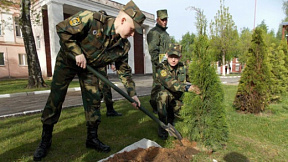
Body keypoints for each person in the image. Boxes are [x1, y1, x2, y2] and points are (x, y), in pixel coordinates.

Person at [33, 1, 145, 161]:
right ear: (122, 21)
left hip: (92, 68)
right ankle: (45, 140)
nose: (133, 34)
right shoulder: (91, 19)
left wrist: (132, 94)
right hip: (68, 61)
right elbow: (62, 29)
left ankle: (92, 139)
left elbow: (124, 70)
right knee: (56, 98)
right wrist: (77, 52)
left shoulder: (123, 46)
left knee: (94, 101)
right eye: (133, 29)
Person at [155, 44, 200, 140]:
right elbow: (170, 83)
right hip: (164, 97)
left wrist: (199, 85)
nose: (173, 60)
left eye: (176, 57)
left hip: (177, 97)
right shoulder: (161, 67)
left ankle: (171, 119)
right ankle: (162, 125)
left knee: (185, 112)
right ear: (167, 55)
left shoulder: (183, 67)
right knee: (163, 96)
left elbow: (192, 78)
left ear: (180, 57)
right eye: (171, 57)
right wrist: (188, 88)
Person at [147, 9, 171, 114]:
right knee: (157, 86)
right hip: (159, 64)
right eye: (162, 19)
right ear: (157, 19)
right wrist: (160, 63)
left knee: (164, 86)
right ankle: (154, 104)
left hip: (167, 64)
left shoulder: (165, 33)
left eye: (166, 19)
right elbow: (153, 51)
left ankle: (163, 104)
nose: (165, 21)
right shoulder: (153, 33)